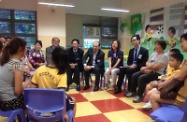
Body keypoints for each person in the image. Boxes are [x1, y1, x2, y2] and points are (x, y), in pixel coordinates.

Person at [30, 47, 76, 120]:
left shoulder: (39, 70)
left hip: (40, 104)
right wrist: (64, 114)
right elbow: (61, 96)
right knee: (73, 100)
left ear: (51, 57)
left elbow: (32, 90)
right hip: (55, 106)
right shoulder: (62, 73)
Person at [149, 33, 187, 111]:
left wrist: (162, 84)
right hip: (180, 94)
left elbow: (179, 77)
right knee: (153, 92)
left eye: (182, 42)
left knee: (153, 96)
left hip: (182, 99)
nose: (181, 45)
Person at [0, 37, 31, 111]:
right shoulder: (17, 64)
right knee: (32, 99)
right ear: (20, 49)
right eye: (26, 47)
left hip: (2, 101)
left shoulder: (5, 59)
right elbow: (18, 91)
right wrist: (30, 80)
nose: (27, 49)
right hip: (10, 103)